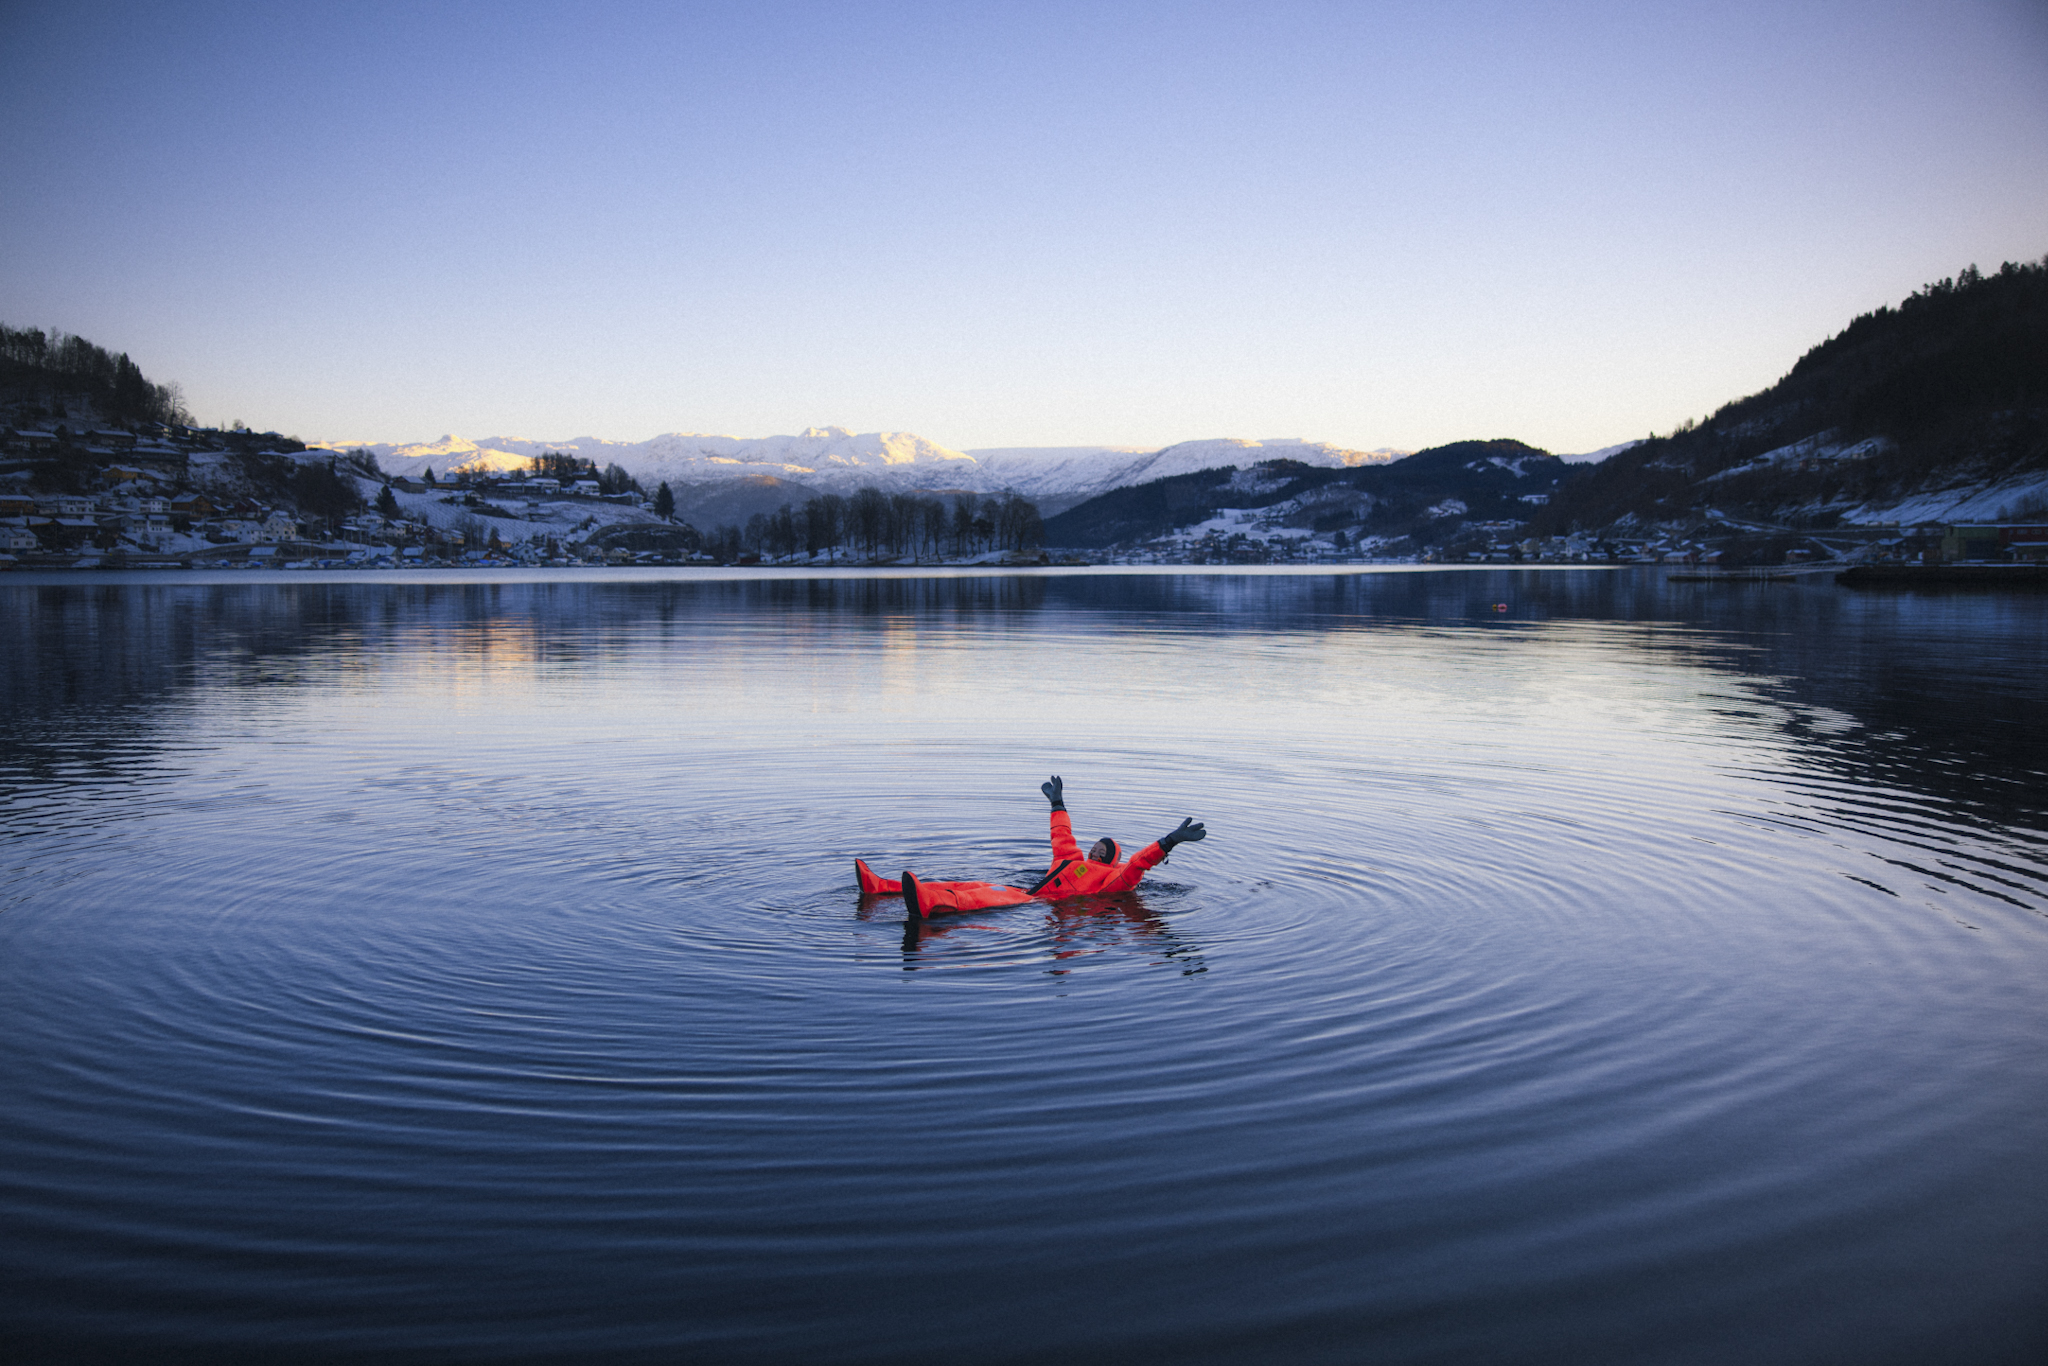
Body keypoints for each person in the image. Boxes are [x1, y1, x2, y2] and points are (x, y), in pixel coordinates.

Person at [857, 775, 1208, 919]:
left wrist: (1169, 841)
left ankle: (929, 903)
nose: (1096, 850)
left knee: (977, 898)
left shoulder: (1113, 881)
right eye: (1096, 846)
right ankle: (881, 887)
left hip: (1032, 902)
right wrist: (1058, 804)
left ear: (1111, 858)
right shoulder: (1070, 859)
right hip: (1021, 890)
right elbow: (1062, 835)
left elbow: (1137, 866)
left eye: (1104, 849)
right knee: (970, 884)